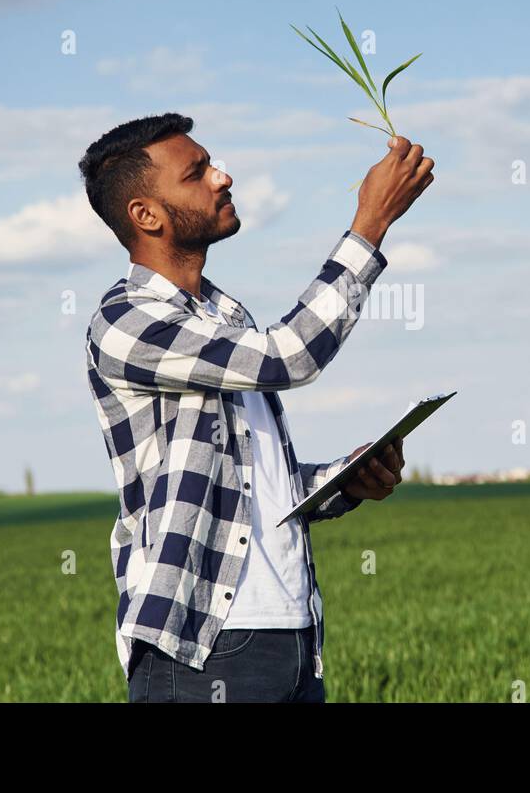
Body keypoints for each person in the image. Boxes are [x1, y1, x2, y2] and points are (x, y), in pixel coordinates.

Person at [79, 113, 435, 702]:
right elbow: (290, 356)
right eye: (197, 173)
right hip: (199, 646)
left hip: (294, 637)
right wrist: (370, 225)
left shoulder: (227, 318)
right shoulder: (124, 322)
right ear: (147, 215)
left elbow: (249, 489)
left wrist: (344, 481)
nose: (223, 177)